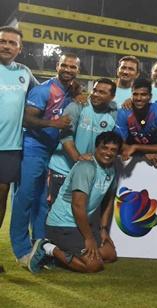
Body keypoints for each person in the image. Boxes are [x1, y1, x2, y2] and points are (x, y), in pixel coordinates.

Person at [10, 53, 79, 268]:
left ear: (78, 70)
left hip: (50, 151)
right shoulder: (44, 89)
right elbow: (27, 118)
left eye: (73, 67)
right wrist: (54, 124)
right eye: (64, 65)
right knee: (25, 198)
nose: (68, 69)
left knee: (42, 202)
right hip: (33, 148)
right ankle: (21, 250)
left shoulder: (72, 91)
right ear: (57, 66)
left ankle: (40, 248)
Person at [29, 131, 122, 273]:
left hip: (80, 225)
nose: (108, 153)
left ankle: (65, 254)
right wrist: (89, 238)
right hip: (62, 225)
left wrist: (103, 230)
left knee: (110, 255)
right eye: (104, 148)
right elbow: (77, 206)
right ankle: (47, 247)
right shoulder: (86, 168)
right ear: (96, 148)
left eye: (113, 150)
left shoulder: (111, 169)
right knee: (94, 265)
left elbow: (108, 201)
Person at [0, 26, 38, 272]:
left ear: (20, 48)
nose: (6, 46)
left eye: (12, 43)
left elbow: (47, 93)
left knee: (1, 201)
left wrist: (75, 92)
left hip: (9, 149)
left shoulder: (25, 73)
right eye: (2, 41)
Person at [47, 78, 118, 205]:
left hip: (88, 172)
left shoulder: (114, 113)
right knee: (57, 213)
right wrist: (78, 158)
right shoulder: (77, 105)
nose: (95, 94)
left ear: (112, 97)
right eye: (95, 90)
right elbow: (65, 137)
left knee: (81, 213)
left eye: (102, 92)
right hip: (64, 169)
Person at [115, 78, 157, 166]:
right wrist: (143, 153)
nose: (139, 98)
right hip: (134, 158)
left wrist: (135, 147)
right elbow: (119, 144)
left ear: (150, 96)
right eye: (135, 94)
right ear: (131, 95)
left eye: (143, 95)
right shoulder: (123, 112)